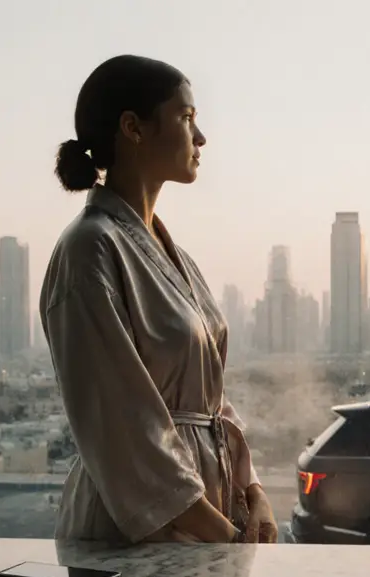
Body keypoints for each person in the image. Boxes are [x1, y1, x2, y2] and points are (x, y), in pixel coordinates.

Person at [40, 55, 277, 545]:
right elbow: (122, 425)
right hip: (137, 527)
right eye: (186, 118)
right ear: (133, 128)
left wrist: (253, 490)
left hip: (208, 519)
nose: (201, 137)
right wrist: (222, 535)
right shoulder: (89, 250)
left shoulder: (175, 256)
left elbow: (210, 399)